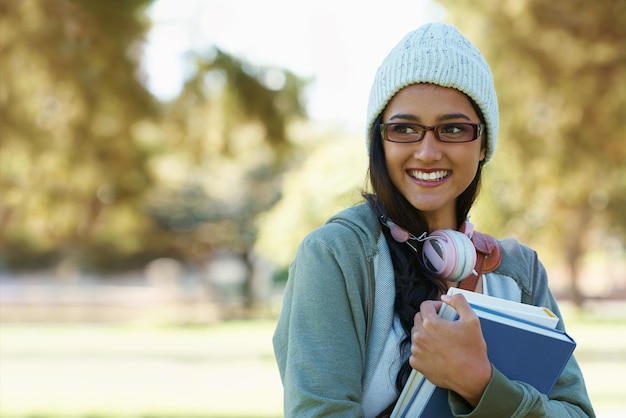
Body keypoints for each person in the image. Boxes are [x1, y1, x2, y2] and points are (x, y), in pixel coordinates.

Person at [272, 22, 595, 417]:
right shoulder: (335, 257)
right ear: (379, 141)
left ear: (482, 145)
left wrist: (478, 383)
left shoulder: (519, 271)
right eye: (404, 128)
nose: (427, 152)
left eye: (453, 129)